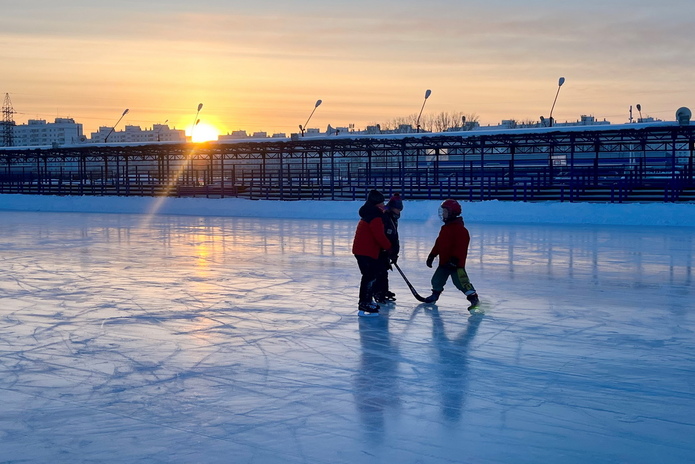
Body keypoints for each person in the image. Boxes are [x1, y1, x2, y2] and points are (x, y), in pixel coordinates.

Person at [424, 198, 480, 310]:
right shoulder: (445, 228)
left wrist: (455, 260)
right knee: (437, 279)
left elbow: (461, 247)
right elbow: (439, 243)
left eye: (445, 212)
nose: (443, 214)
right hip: (444, 263)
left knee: (461, 282)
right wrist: (432, 255)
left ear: (452, 213)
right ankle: (435, 295)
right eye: (442, 211)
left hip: (456, 264)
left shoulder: (460, 230)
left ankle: (473, 298)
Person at [352, 189, 392, 317]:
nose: (383, 205)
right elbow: (379, 236)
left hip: (364, 250)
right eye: (381, 203)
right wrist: (389, 248)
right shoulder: (375, 216)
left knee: (370, 276)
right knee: (369, 277)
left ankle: (367, 300)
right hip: (365, 251)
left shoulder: (371, 213)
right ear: (376, 204)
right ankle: (364, 302)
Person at [374, 193, 403, 303]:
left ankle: (383, 290)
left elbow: (394, 236)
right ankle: (377, 292)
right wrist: (388, 249)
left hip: (387, 249)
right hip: (381, 249)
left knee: (384, 271)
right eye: (397, 209)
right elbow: (383, 235)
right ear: (392, 207)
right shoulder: (385, 217)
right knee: (380, 271)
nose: (399, 212)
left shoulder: (393, 217)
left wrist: (394, 252)